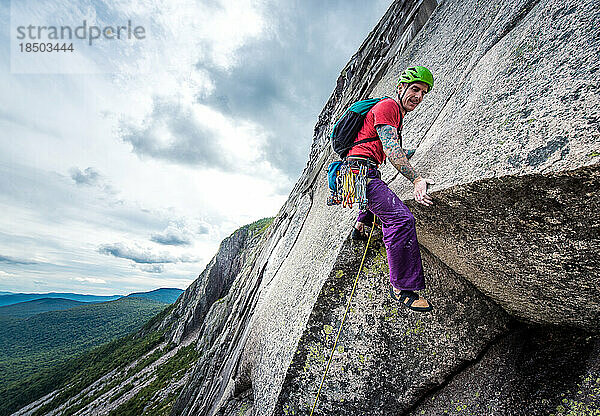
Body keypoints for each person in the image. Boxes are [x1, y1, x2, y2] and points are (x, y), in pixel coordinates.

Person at [346, 66, 435, 312]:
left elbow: (384, 146)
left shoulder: (395, 113)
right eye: (415, 89)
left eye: (423, 93)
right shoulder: (388, 107)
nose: (418, 96)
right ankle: (401, 288)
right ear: (401, 88)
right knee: (401, 219)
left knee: (380, 196)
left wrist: (406, 152)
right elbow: (391, 149)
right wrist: (417, 179)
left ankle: (360, 225)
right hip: (359, 173)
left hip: (358, 172)